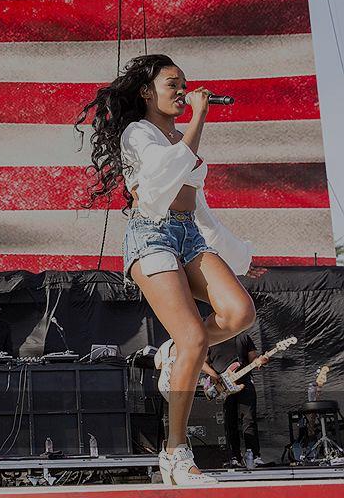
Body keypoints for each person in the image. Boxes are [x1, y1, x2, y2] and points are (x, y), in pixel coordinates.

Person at [75, 54, 266, 485]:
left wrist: (240, 256)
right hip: (151, 234)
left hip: (189, 234)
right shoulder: (137, 133)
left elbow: (201, 210)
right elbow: (162, 179)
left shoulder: (180, 136)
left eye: (185, 84)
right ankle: (175, 452)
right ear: (147, 92)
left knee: (240, 312)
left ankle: (173, 353)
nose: (182, 92)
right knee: (195, 336)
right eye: (172, 84)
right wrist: (199, 118)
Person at [202, 331, 269, 467]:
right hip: (222, 386)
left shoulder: (243, 337)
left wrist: (260, 361)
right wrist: (214, 375)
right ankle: (234, 457)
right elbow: (202, 363)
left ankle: (254, 456)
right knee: (229, 421)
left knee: (249, 419)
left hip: (245, 382)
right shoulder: (212, 339)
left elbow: (253, 359)